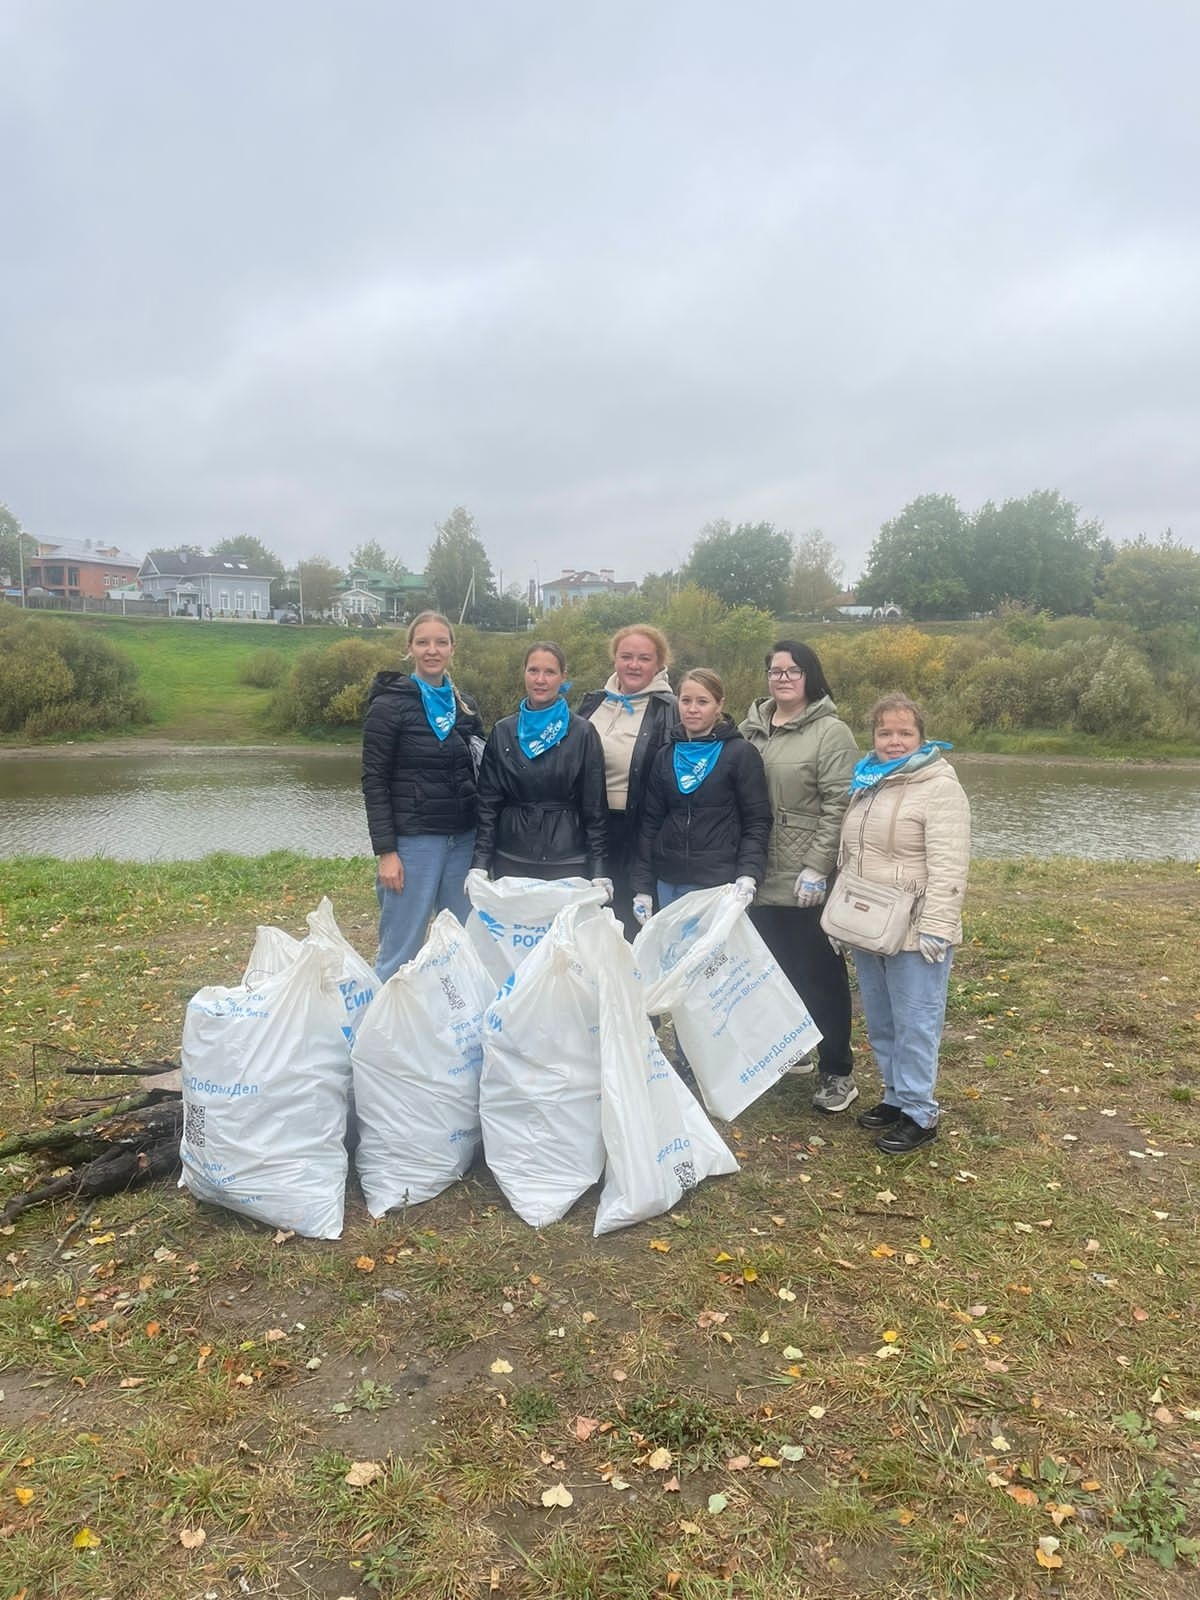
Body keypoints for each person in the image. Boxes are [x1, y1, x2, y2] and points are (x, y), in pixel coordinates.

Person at [837, 693, 970, 1154]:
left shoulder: (939, 786)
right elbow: (852, 855)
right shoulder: (867, 782)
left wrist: (938, 923)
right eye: (885, 732)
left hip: (916, 928)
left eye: (904, 733)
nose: (894, 741)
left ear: (921, 737)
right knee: (881, 1018)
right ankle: (895, 1097)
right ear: (873, 736)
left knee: (916, 1021)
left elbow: (950, 864)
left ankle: (921, 1112)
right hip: (870, 922)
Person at [740, 640, 860, 1112]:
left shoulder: (831, 733)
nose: (782, 678)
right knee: (772, 970)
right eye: (775, 671)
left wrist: (818, 866)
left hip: (803, 874)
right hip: (757, 870)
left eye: (792, 670)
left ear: (810, 675)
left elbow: (839, 805)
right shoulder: (752, 730)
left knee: (819, 974)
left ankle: (837, 1070)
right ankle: (794, 1053)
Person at [361, 611, 484, 983]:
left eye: (441, 642)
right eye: (423, 642)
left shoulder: (465, 706)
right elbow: (374, 781)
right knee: (402, 949)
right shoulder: (389, 705)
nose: (432, 650)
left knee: (458, 944)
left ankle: (449, 1028)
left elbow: (481, 769)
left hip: (462, 841)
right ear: (409, 649)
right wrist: (387, 852)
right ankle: (384, 1034)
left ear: (452, 649)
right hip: (413, 844)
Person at [631, 668, 771, 916]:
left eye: (702, 701)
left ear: (719, 705)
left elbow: (756, 821)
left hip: (720, 884)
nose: (692, 709)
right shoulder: (666, 755)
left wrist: (748, 873)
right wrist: (642, 886)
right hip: (669, 881)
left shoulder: (740, 753)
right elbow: (650, 823)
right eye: (686, 701)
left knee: (714, 956)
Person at [470, 641, 609, 886]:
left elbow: (594, 806)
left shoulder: (582, 732)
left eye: (550, 672)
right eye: (533, 670)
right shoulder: (503, 731)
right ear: (524, 673)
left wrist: (599, 869)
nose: (540, 679)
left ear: (563, 676)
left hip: (567, 858)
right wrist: (480, 864)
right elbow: (488, 804)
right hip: (512, 855)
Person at [578, 625, 677, 936]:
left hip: (638, 831)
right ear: (615, 660)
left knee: (630, 923)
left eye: (644, 658)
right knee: (590, 921)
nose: (634, 665)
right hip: (588, 828)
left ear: (659, 664)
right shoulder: (592, 703)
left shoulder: (669, 709)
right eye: (627, 656)